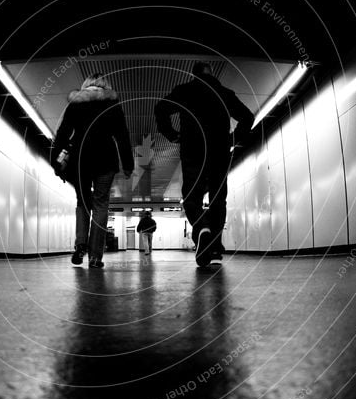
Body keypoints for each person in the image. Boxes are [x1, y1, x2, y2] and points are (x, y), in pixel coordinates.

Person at [154, 61, 254, 266]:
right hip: (219, 151)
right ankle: (215, 247)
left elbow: (161, 108)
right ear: (211, 74)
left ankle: (202, 229)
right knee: (218, 198)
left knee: (192, 197)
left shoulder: (185, 91)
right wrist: (232, 139)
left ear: (194, 75)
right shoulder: (225, 92)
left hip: (192, 149)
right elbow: (247, 117)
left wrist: (172, 134)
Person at [51, 74, 133, 268]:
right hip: (106, 159)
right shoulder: (112, 104)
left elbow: (62, 134)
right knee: (101, 204)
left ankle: (80, 244)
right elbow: (122, 135)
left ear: (85, 85)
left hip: (80, 159)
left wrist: (55, 162)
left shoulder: (75, 104)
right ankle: (96, 256)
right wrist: (128, 164)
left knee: (82, 201)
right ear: (106, 86)